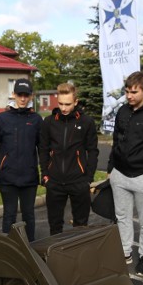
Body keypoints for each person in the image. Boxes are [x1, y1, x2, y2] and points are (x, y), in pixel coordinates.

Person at [106, 71, 143, 276]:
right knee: (122, 217)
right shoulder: (122, 111)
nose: (129, 96)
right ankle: (125, 251)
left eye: (134, 92)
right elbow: (116, 139)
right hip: (120, 174)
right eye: (127, 91)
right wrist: (111, 168)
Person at [39, 82, 99, 235]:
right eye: (60, 104)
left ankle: (78, 257)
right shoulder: (49, 122)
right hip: (54, 182)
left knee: (80, 226)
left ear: (76, 102)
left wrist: (88, 178)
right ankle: (56, 257)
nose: (64, 108)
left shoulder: (86, 122)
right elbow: (43, 150)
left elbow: (92, 151)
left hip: (79, 181)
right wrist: (45, 175)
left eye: (68, 104)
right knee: (55, 226)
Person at [0, 79, 41, 241]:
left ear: (31, 96)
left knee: (28, 216)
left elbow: (44, 149)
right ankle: (8, 249)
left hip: (29, 178)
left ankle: (30, 250)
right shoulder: (2, 119)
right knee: (9, 216)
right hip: (8, 178)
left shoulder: (37, 120)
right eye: (19, 95)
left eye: (26, 95)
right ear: (13, 95)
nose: (23, 99)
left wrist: (45, 172)